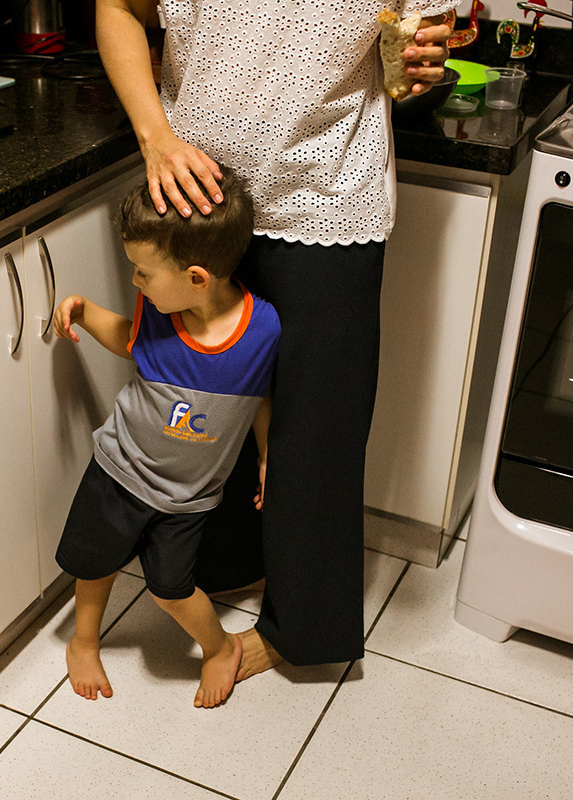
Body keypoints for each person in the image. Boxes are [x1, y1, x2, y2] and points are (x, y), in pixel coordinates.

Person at [95, 0, 457, 678]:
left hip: (324, 197)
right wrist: (155, 138)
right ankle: (230, 564)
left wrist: (418, 69)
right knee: (206, 393)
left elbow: (406, 66)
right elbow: (116, 7)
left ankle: (300, 629)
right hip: (196, 190)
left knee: (315, 425)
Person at [52, 167, 280, 708]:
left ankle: (220, 649)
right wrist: (84, 313)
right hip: (120, 468)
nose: (135, 282)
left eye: (142, 273)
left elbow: (260, 400)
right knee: (96, 560)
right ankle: (84, 641)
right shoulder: (156, 314)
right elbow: (129, 343)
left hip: (188, 497)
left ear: (197, 277)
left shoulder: (262, 330)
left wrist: (268, 457)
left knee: (171, 587)